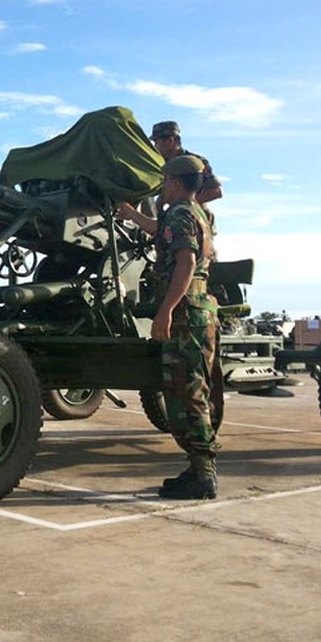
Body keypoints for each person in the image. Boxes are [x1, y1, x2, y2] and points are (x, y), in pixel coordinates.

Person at [118, 155, 220, 500]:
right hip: (197, 311)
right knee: (187, 389)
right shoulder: (195, 214)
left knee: (186, 392)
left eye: (165, 180)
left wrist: (165, 312)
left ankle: (204, 473)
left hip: (186, 314)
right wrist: (133, 216)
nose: (162, 185)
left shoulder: (179, 214)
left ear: (175, 183)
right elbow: (163, 234)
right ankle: (196, 468)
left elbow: (186, 262)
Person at [150, 121, 222, 205]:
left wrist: (187, 204)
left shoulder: (195, 163)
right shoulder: (162, 163)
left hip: (191, 214)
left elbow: (216, 192)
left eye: (156, 143)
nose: (155, 147)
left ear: (170, 141)